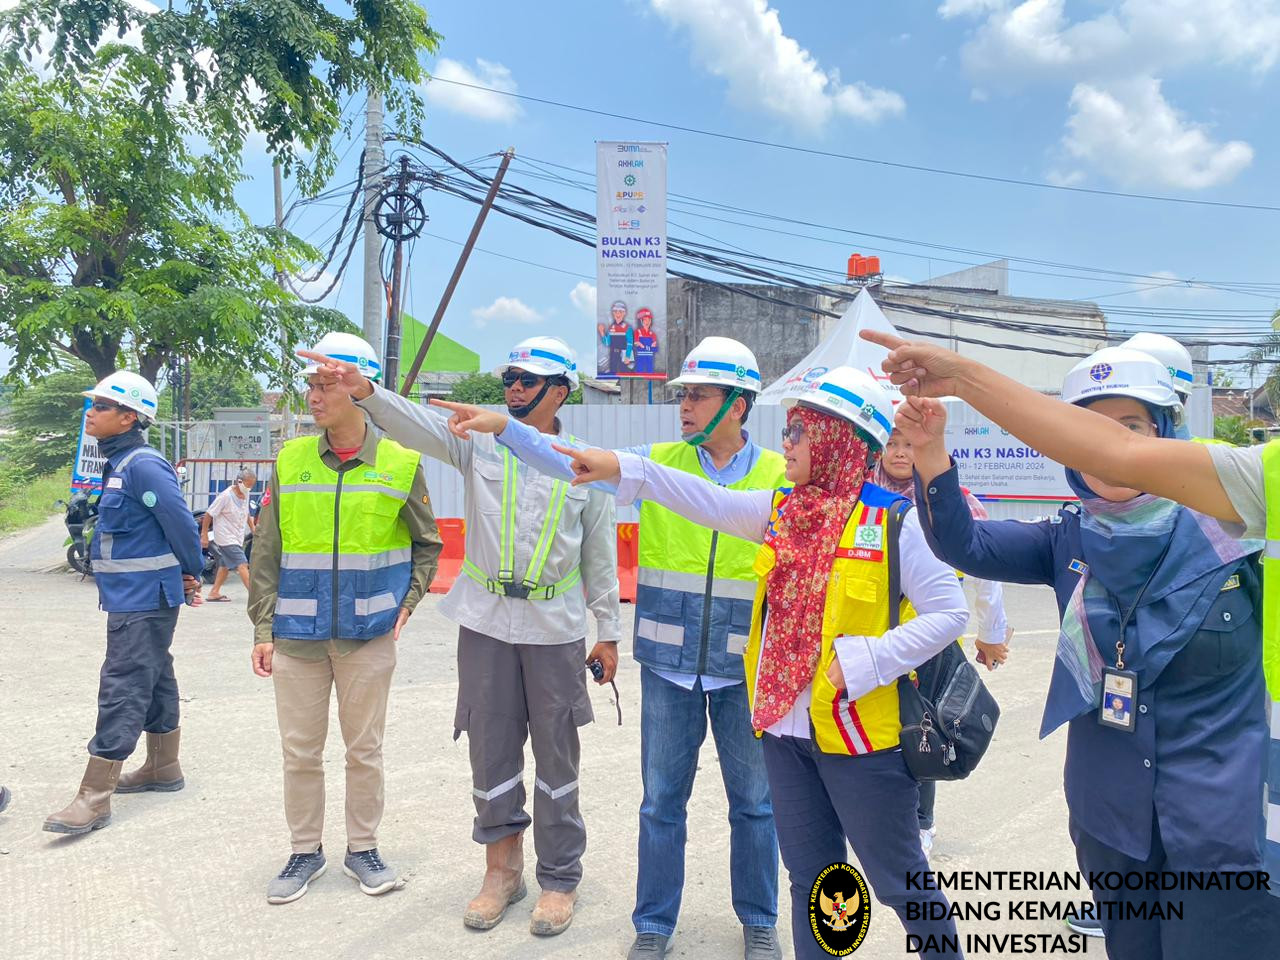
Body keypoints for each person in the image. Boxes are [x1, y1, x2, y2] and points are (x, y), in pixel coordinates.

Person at [455, 365, 970, 959]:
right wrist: (515, 435)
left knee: (901, 880)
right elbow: (672, 487)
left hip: (860, 740)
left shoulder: (895, 522)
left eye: (800, 432)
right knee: (815, 882)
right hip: (784, 732)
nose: (788, 444)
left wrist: (869, 660)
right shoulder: (780, 511)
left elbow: (949, 613)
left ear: (837, 440)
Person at [863, 327, 1280, 908]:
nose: (1102, 446)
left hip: (1223, 830)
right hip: (1110, 821)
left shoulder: (1237, 534)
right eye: (1084, 432)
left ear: (1163, 434)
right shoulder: (1069, 536)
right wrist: (932, 453)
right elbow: (966, 545)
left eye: (1128, 427)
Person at [439, 335, 786, 960]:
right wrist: (509, 431)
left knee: (757, 806)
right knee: (660, 806)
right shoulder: (655, 461)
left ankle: (760, 918)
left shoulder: (779, 478)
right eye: (682, 393)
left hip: (745, 667)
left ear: (739, 403)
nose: (682, 404)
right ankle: (653, 925)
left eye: (698, 394)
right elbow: (567, 459)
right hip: (669, 665)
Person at [300, 334, 620, 938]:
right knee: (490, 747)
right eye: (511, 379)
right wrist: (363, 391)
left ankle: (559, 877)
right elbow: (415, 423)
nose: (515, 389)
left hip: (555, 627)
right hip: (486, 623)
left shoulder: (586, 459)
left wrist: (609, 634)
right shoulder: (479, 443)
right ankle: (502, 871)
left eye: (528, 381)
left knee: (557, 752)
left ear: (560, 391)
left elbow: (600, 555)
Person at [248, 331, 442, 904]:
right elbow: (267, 551)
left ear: (359, 390)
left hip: (367, 637)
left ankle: (363, 848)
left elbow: (427, 545)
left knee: (365, 749)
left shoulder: (402, 463)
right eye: (310, 384)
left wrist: (405, 605)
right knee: (300, 752)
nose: (313, 395)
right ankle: (304, 852)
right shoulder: (291, 459)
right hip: (297, 637)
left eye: (326, 384)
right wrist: (262, 628)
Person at [44, 371, 204, 835]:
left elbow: (180, 524)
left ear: (129, 417)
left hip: (144, 599)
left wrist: (193, 569)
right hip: (132, 597)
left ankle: (94, 797)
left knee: (123, 684)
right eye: (92, 405)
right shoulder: (120, 463)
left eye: (100, 406)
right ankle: (162, 766)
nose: (90, 413)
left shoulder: (143, 465)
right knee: (154, 677)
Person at [874, 427, 1011, 857]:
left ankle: (919, 822)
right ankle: (871, 813)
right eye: (891, 444)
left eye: (909, 446)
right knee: (875, 729)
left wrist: (990, 635)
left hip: (930, 640)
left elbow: (985, 572)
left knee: (922, 729)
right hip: (875, 637)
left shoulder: (952, 503)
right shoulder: (865, 499)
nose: (899, 453)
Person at [201, 467, 256, 601]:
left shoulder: (245, 494)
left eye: (251, 486)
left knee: (225, 565)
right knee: (242, 564)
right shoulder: (225, 496)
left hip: (236, 535)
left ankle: (214, 592)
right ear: (239, 482)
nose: (249, 488)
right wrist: (204, 535)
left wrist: (253, 528)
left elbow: (246, 512)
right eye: (248, 485)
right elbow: (209, 514)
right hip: (226, 537)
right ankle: (255, 596)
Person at [633, 308, 659, 375]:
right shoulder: (637, 332)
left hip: (650, 359)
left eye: (649, 320)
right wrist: (648, 347)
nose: (647, 322)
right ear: (640, 321)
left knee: (650, 375)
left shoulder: (652, 334)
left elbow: (655, 348)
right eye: (645, 320)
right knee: (639, 374)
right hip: (640, 359)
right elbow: (636, 344)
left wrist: (643, 346)